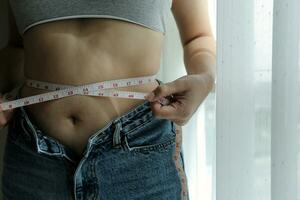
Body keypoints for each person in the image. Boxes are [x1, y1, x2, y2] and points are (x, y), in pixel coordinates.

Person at [0, 0, 216, 199]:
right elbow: (18, 46)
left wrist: (204, 80)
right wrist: (4, 93)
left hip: (139, 153)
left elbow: (197, 37)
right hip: (32, 158)